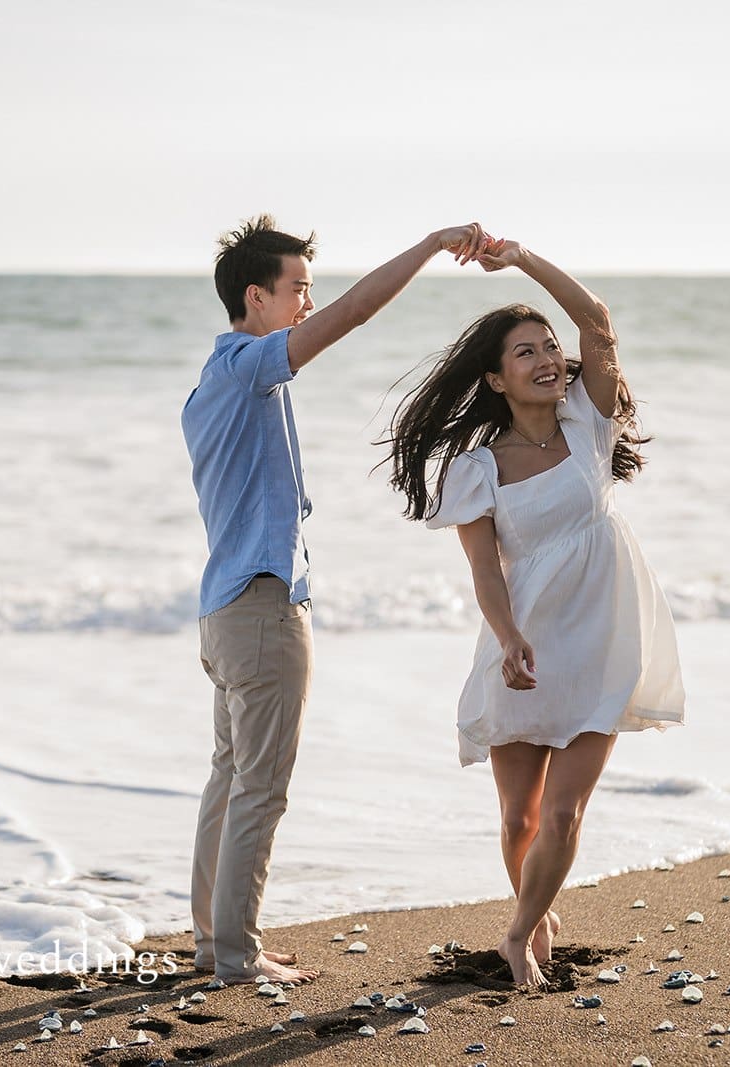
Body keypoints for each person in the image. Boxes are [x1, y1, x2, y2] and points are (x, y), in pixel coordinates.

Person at [182, 215, 488, 986]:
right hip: (260, 609)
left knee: (229, 775)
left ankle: (214, 941)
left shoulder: (212, 381)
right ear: (256, 296)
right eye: (299, 289)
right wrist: (428, 246)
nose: (310, 303)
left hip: (224, 609)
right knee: (259, 786)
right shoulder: (251, 365)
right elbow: (354, 315)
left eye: (310, 289)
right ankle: (237, 955)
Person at [384, 238, 685, 987]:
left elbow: (598, 321)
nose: (549, 357)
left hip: (602, 640)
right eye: (527, 351)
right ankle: (537, 908)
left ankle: (518, 931)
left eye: (551, 345)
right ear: (495, 377)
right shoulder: (475, 468)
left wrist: (520, 258)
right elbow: (485, 569)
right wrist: (509, 636)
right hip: (523, 646)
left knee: (562, 813)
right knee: (519, 817)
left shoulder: (589, 419)